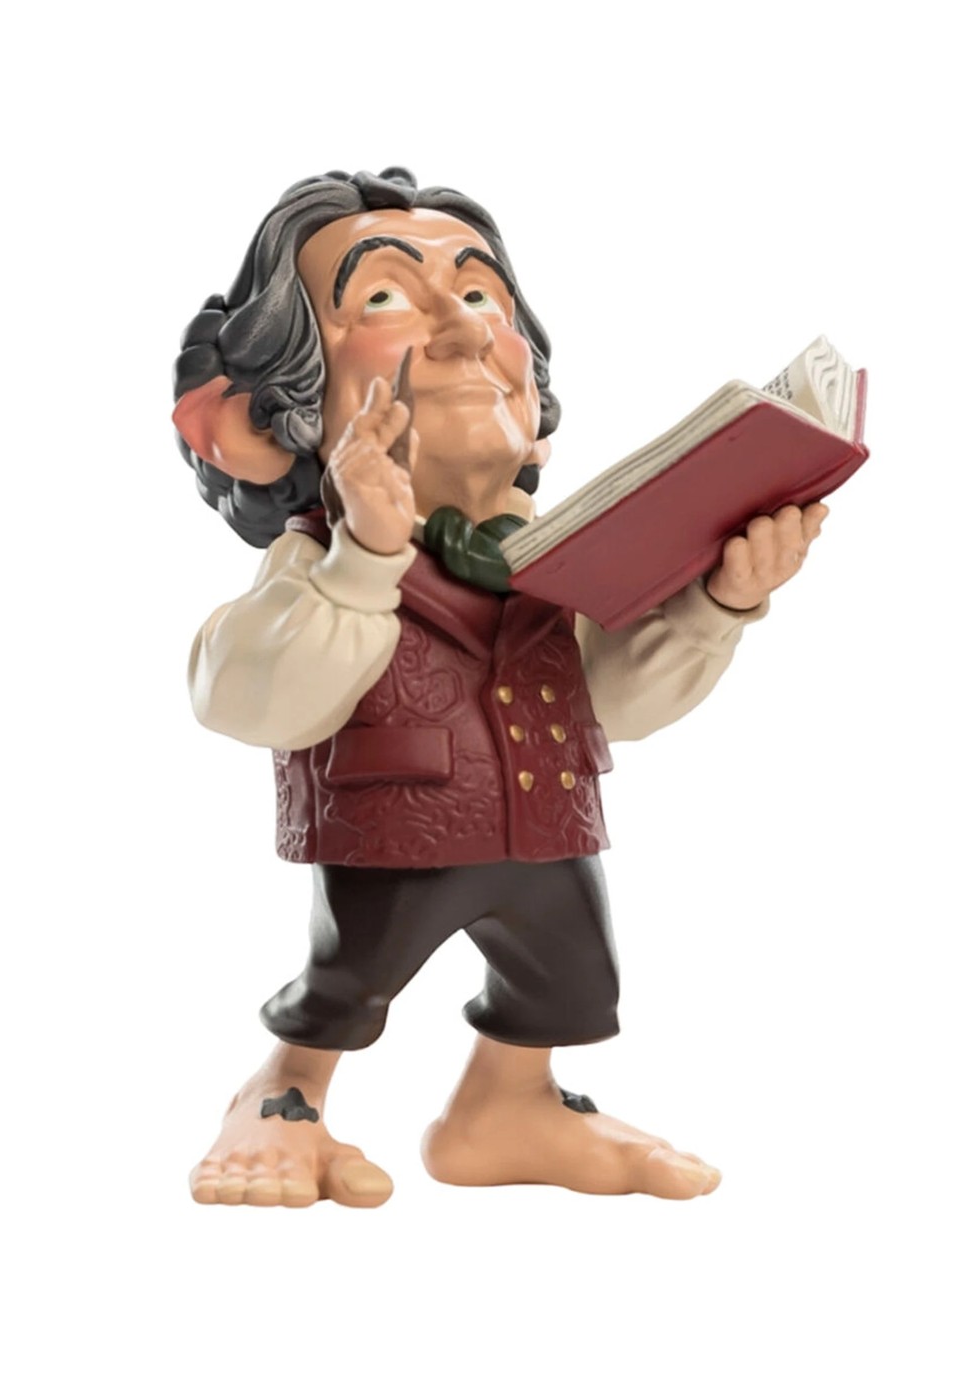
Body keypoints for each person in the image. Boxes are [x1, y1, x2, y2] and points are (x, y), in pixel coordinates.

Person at [174, 167, 827, 1208]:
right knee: (350, 976)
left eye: (482, 294)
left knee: (570, 973)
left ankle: (508, 1104)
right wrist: (364, 555)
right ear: (283, 409)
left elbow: (612, 700)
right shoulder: (318, 561)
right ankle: (284, 1093)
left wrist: (716, 606)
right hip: (394, 829)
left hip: (547, 822)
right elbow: (251, 697)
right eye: (382, 297)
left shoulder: (549, 554)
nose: (465, 328)